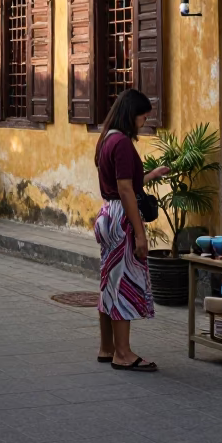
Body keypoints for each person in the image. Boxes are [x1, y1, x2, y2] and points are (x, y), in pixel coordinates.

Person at [92, 89, 169, 373]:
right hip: (122, 217)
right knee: (122, 283)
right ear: (131, 115)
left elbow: (121, 184)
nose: (144, 120)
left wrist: (151, 175)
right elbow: (125, 189)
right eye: (142, 115)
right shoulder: (122, 143)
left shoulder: (106, 138)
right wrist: (140, 233)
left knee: (109, 282)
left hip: (108, 214)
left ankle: (107, 348)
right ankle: (122, 353)